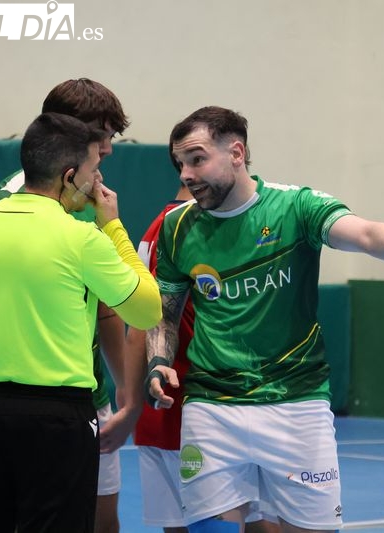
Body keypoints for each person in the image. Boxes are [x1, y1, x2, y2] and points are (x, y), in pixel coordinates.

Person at [144, 106, 384, 532]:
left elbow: (363, 233)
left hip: (296, 402)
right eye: (180, 163)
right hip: (213, 406)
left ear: (236, 153)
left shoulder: (295, 207)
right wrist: (158, 361)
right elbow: (165, 312)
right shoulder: (177, 227)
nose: (187, 174)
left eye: (197, 159)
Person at [0, 112, 162, 532]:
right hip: (60, 420)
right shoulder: (82, 238)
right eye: (94, 170)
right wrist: (113, 226)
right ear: (70, 176)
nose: (98, 182)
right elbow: (147, 310)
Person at [0, 78, 133, 533]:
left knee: (103, 521)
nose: (108, 148)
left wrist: (125, 391)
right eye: (102, 135)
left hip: (86, 398)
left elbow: (106, 304)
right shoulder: (4, 205)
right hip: (25, 402)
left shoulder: (91, 199)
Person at [113, 182, 279, 533]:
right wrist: (132, 406)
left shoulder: (159, 226)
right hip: (196, 414)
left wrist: (131, 405)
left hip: (181, 416)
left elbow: (137, 328)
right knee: (258, 523)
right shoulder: (185, 228)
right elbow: (147, 324)